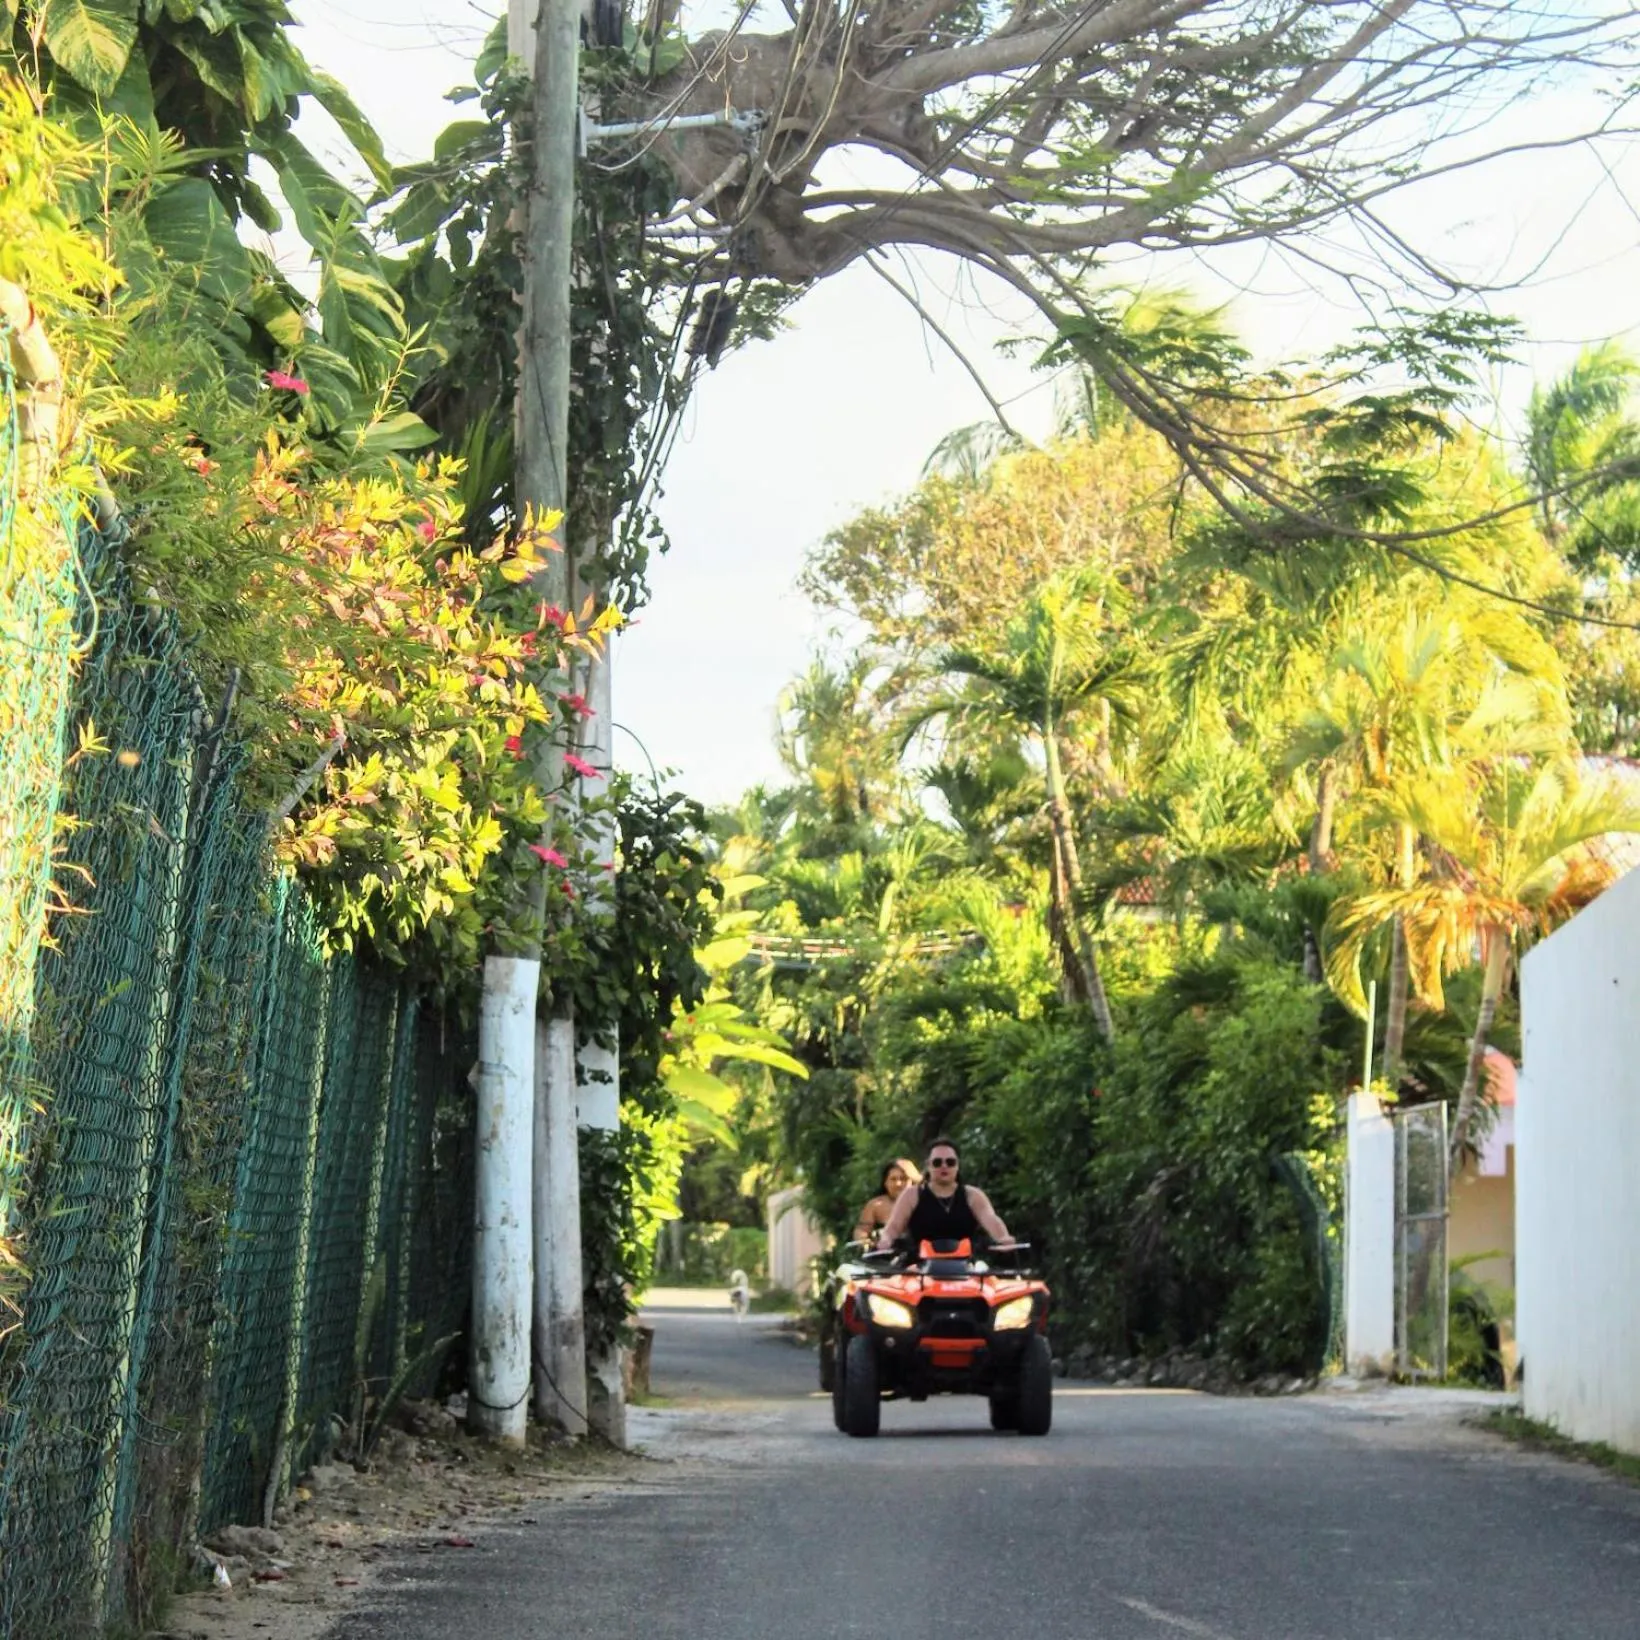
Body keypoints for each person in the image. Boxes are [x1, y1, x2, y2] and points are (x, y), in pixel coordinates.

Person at [877, 1138, 1012, 1250]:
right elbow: (893, 1227)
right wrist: (886, 1240)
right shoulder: (911, 1195)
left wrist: (1004, 1238)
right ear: (928, 1165)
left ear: (957, 1165)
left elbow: (991, 1219)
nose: (944, 1166)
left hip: (966, 1267)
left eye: (950, 1162)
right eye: (937, 1162)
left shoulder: (973, 1195)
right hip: (919, 1267)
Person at [852, 1156, 920, 1243]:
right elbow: (862, 1230)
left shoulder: (924, 1201)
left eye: (903, 1179)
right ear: (885, 1182)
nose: (898, 1184)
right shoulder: (875, 1205)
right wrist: (864, 1240)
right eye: (893, 1179)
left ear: (913, 1181)